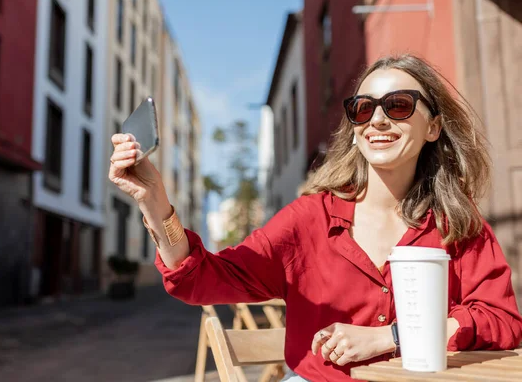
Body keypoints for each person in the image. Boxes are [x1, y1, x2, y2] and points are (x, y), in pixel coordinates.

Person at [108, 54, 522, 382]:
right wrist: (155, 202)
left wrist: (389, 337)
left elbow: (502, 321)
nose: (378, 119)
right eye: (363, 109)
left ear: (433, 127)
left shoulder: (457, 223)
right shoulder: (308, 220)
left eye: (398, 105)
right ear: (355, 128)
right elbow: (200, 278)